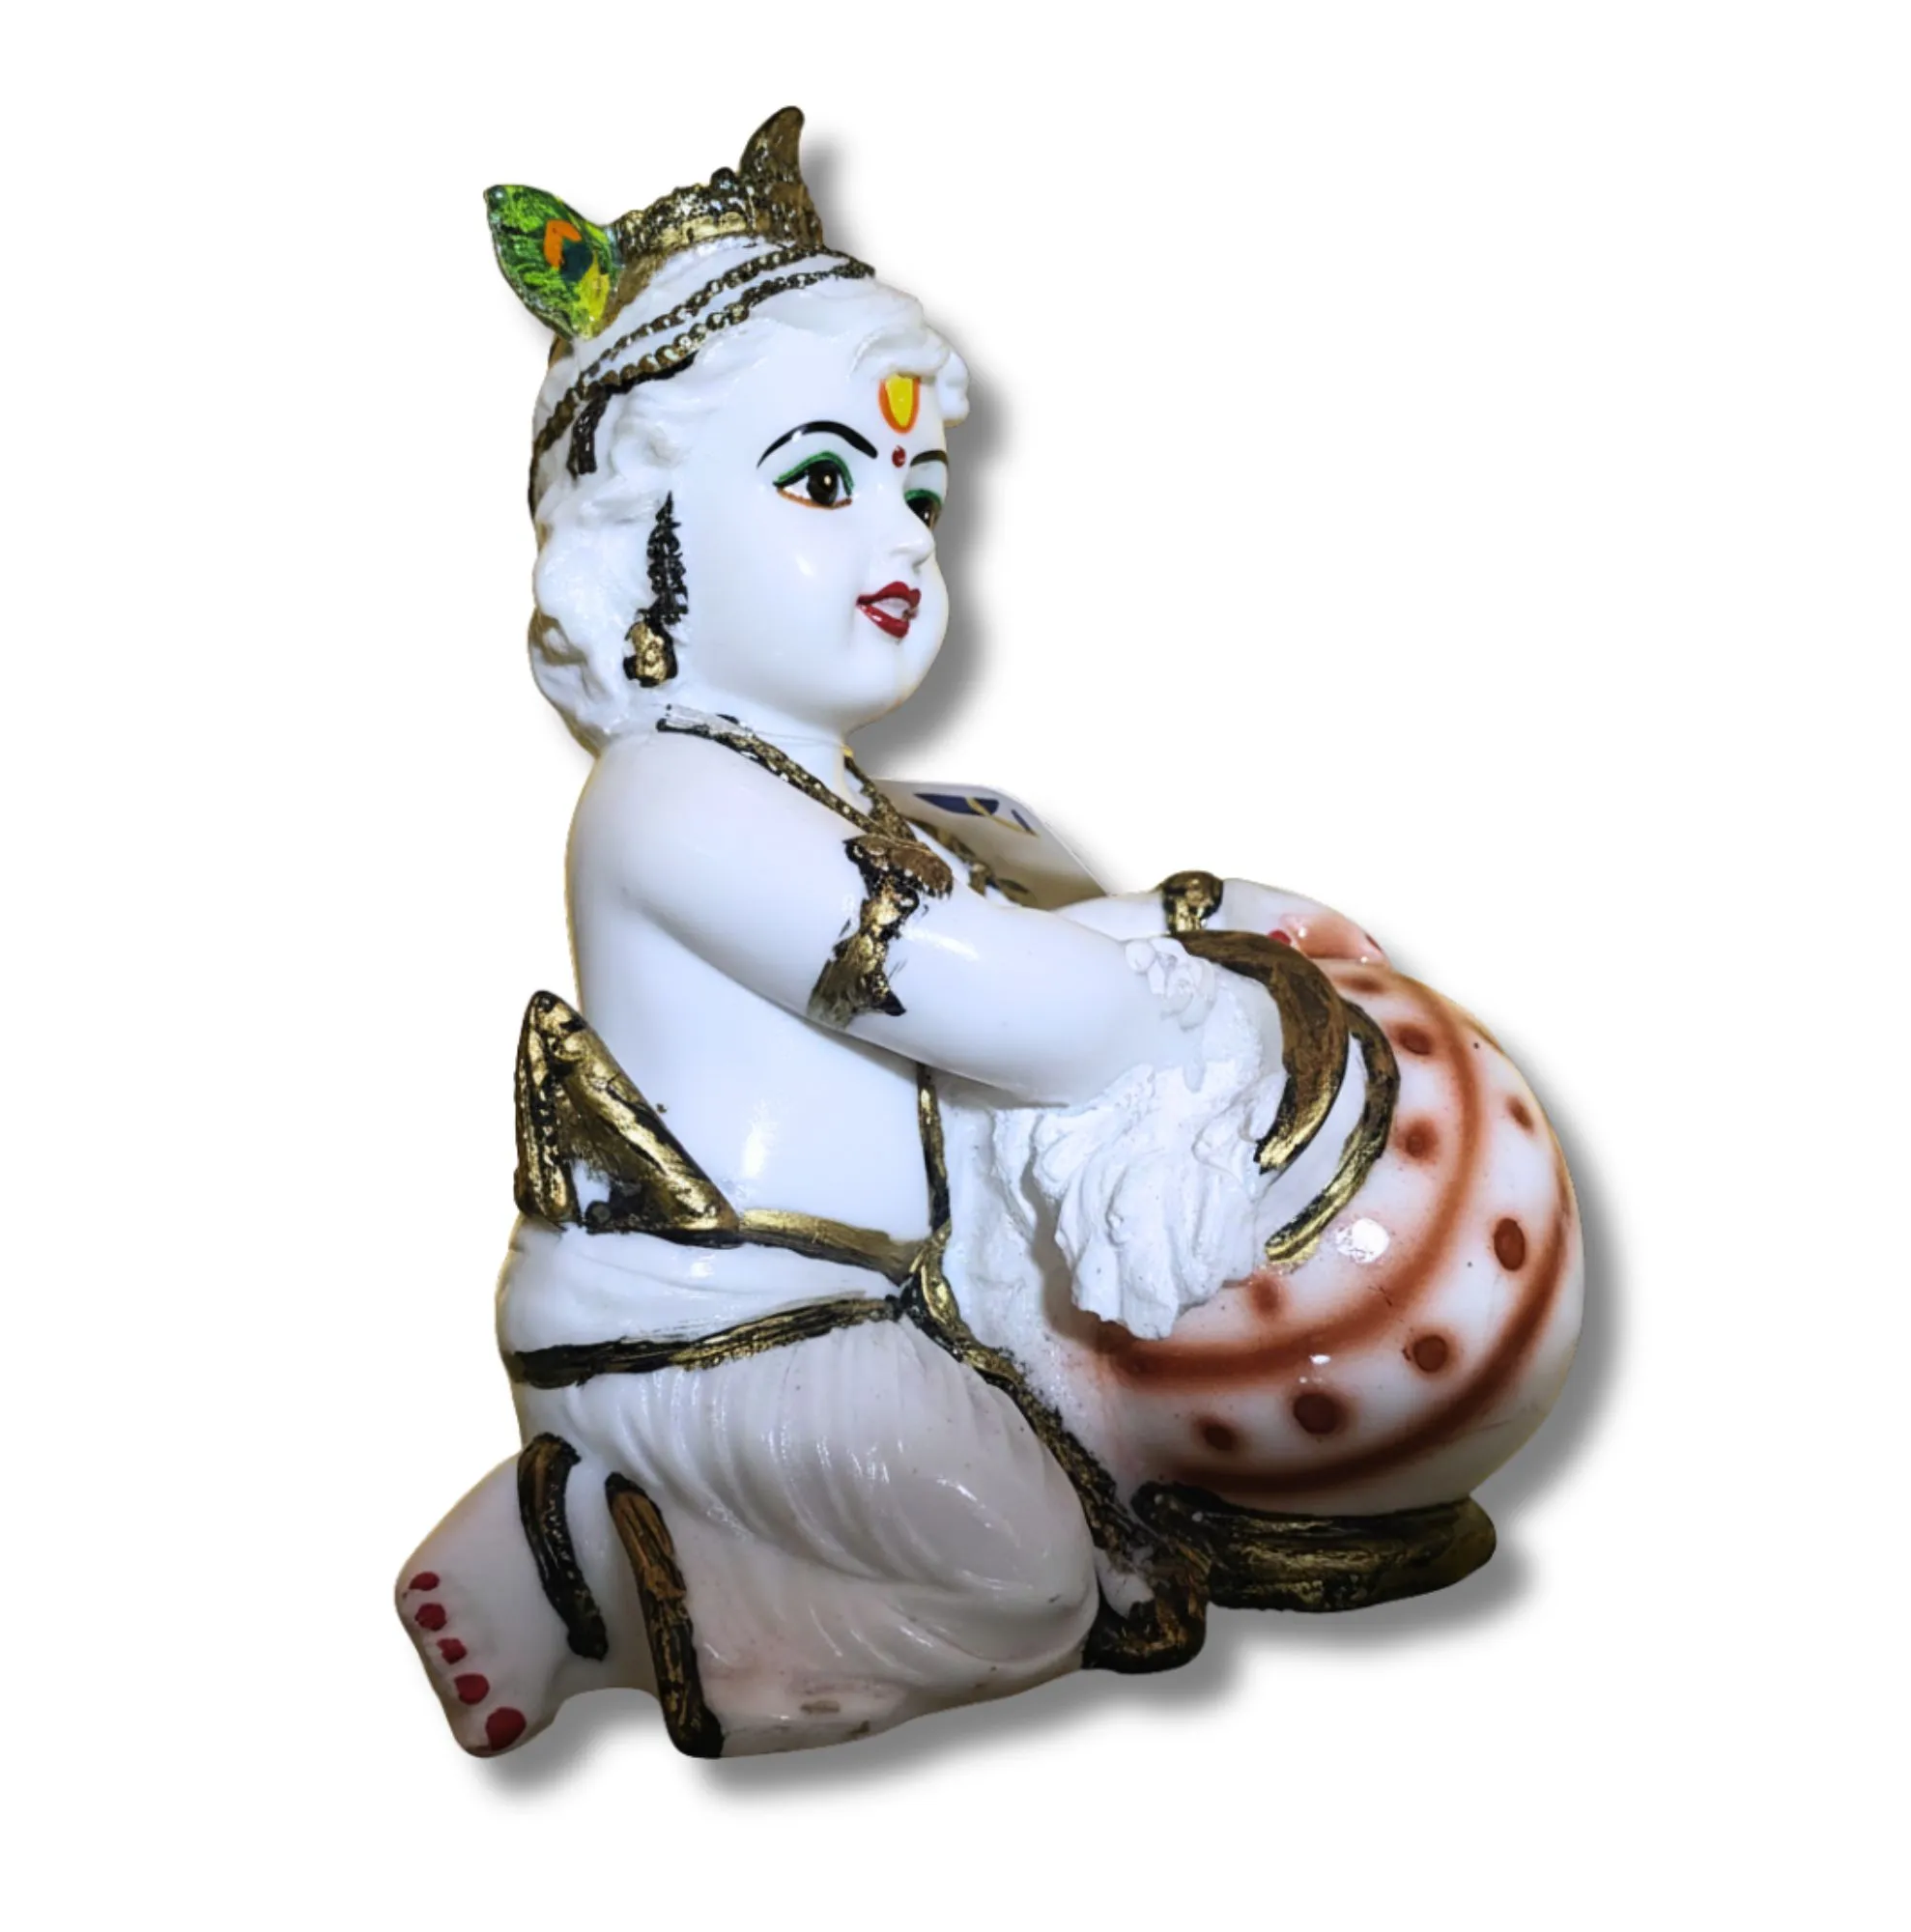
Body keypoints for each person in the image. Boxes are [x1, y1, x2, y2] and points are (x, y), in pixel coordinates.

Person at [396, 109, 1375, 1760]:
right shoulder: (674, 797)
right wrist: (1155, 991)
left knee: (1081, 1523)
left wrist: (1154, 924)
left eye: (920, 489)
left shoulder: (866, 798)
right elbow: (1007, 1002)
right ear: (639, 543)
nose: (906, 535)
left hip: (887, 1308)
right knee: (1025, 1578)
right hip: (719, 1328)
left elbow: (1021, 926)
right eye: (823, 481)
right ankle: (575, 1561)